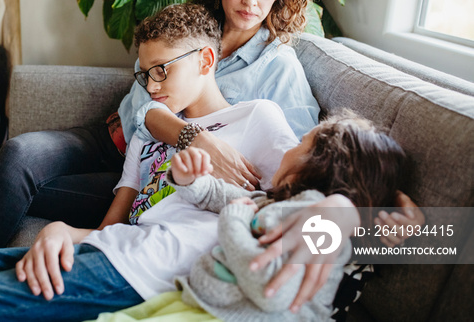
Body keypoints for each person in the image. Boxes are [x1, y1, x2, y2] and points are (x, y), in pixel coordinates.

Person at [0, 3, 303, 321]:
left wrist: (357, 230)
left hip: (147, 268)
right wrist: (60, 232)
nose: (152, 86)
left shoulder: (255, 119)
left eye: (162, 70)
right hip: (111, 249)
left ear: (206, 61)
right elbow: (113, 227)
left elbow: (326, 196)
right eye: (146, 75)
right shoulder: (147, 136)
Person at [93, 110, 406, 322]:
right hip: (206, 302)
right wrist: (189, 179)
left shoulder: (313, 221)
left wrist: (234, 220)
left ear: (318, 166)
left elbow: (274, 291)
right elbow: (219, 196)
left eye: (300, 144)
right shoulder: (274, 203)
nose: (287, 151)